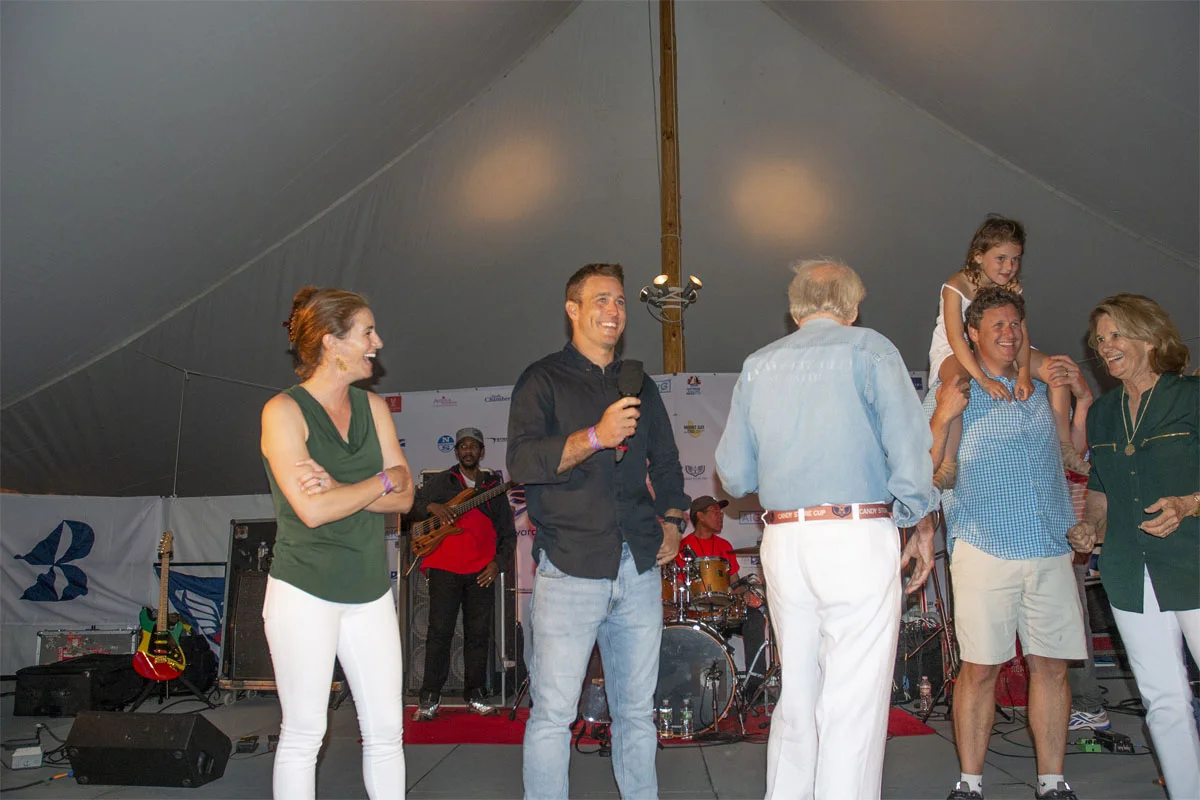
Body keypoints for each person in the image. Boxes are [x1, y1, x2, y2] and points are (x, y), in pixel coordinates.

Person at [715, 259, 939, 800]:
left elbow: (735, 476)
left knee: (796, 696)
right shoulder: (871, 350)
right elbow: (910, 451)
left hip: (784, 540)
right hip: (855, 534)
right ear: (853, 306)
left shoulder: (758, 364)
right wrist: (920, 522)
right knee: (852, 702)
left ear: (795, 309)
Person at [507, 262, 689, 800]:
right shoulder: (542, 379)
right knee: (553, 715)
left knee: (637, 713)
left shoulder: (640, 384)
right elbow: (522, 463)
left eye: (620, 301)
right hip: (570, 565)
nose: (614, 311)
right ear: (573, 310)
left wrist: (674, 521)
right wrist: (595, 436)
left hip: (637, 567)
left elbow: (667, 462)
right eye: (601, 300)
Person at [929, 287, 1090, 800]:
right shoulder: (957, 384)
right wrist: (942, 420)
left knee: (1051, 668)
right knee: (979, 669)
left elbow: (1075, 453)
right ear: (972, 333)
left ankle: (1052, 783)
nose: (1008, 333)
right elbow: (926, 467)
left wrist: (1083, 403)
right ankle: (970, 784)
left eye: (1015, 324)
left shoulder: (1043, 386)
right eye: (996, 325)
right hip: (983, 545)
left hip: (1049, 543)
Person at [260, 286, 414, 800]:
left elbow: (406, 497)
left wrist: (345, 488)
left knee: (387, 732)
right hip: (304, 591)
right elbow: (313, 511)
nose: (378, 342)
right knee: (304, 734)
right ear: (331, 341)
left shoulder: (374, 407)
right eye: (367, 332)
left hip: (370, 591)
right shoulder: (283, 411)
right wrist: (380, 481)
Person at [1067, 294, 1199, 799]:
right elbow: (1101, 489)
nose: (1106, 347)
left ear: (1150, 336)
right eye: (1100, 340)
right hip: (1129, 572)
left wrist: (1189, 504)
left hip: (1192, 562)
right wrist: (1089, 526)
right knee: (1162, 700)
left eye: (1117, 334)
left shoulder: (1190, 397)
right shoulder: (1102, 414)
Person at [927, 215, 1084, 489]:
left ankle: (1064, 447)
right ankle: (949, 463)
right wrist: (983, 380)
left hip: (1002, 343)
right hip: (957, 345)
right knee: (956, 384)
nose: (1009, 267)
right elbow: (956, 337)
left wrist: (1023, 374)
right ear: (978, 256)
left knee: (1056, 371)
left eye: (1015, 259)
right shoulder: (957, 286)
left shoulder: (1012, 286)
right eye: (1001, 258)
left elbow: (1021, 331)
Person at [411, 426, 516, 720]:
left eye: (474, 446)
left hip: (481, 571)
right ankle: (429, 699)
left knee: (478, 635)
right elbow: (412, 506)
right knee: (439, 633)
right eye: (463, 446)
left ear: (482, 452)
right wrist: (433, 506)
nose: (468, 451)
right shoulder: (441, 482)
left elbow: (508, 534)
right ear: (456, 451)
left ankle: (476, 696)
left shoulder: (492, 487)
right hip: (444, 568)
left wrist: (497, 564)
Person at [674, 495, 768, 697]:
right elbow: (678, 588)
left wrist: (746, 595)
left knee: (755, 618)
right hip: (696, 613)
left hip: (725, 612)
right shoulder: (682, 548)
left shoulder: (725, 545)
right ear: (700, 516)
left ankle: (754, 687)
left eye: (721, 512)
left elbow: (735, 583)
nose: (720, 516)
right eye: (715, 512)